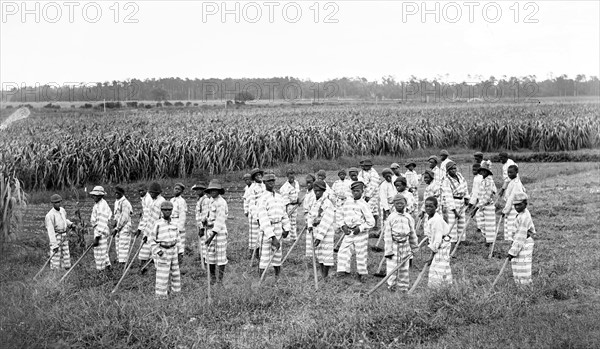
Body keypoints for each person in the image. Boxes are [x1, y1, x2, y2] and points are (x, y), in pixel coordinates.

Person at [336, 181, 375, 284]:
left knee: (361, 253)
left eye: (358, 191)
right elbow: (339, 215)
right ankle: (343, 271)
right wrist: (343, 226)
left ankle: (362, 273)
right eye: (353, 191)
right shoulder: (347, 202)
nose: (355, 193)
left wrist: (361, 228)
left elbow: (371, 222)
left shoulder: (364, 205)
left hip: (360, 233)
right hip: (349, 232)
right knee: (343, 251)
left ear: (362, 192)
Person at [257, 173, 291, 279]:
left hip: (278, 227)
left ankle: (277, 278)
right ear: (264, 183)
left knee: (277, 255)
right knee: (265, 257)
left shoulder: (279, 197)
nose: (271, 183)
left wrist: (286, 228)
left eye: (273, 181)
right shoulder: (262, 198)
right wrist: (272, 237)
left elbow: (284, 214)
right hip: (267, 230)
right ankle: (261, 279)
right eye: (269, 181)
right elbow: (263, 219)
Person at [383, 195, 418, 292]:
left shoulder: (408, 217)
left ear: (405, 204)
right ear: (393, 205)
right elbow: (387, 236)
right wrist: (388, 250)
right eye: (397, 203)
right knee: (392, 268)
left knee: (404, 268)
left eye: (401, 203)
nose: (399, 205)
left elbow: (412, 233)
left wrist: (414, 246)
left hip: (405, 245)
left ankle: (403, 288)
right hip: (394, 245)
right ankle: (391, 286)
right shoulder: (391, 218)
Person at [151, 201, 181, 299]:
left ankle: (176, 293)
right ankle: (161, 296)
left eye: (169, 210)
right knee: (162, 275)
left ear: (172, 211)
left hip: (173, 250)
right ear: (161, 211)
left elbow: (178, 238)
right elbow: (152, 240)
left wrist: (180, 252)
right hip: (163, 251)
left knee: (175, 273)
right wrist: (158, 251)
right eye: (165, 210)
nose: (167, 212)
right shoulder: (158, 224)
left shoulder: (175, 223)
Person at [308, 180, 336, 279]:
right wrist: (309, 225)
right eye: (315, 190)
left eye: (320, 190)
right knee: (319, 253)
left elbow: (326, 221)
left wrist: (319, 237)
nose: (317, 192)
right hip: (316, 230)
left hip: (326, 231)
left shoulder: (327, 203)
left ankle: (325, 275)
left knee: (326, 254)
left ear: (323, 191)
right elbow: (310, 215)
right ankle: (321, 273)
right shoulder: (314, 201)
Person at [507, 192, 535, 285]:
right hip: (518, 243)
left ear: (525, 204)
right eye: (515, 205)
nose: (517, 207)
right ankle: (519, 287)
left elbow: (520, 236)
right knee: (516, 266)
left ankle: (526, 290)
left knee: (523, 268)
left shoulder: (524, 217)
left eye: (519, 205)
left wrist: (512, 252)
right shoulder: (520, 214)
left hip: (524, 243)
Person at [204, 180, 229, 284]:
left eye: (215, 190)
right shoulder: (210, 201)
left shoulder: (221, 203)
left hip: (219, 232)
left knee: (220, 255)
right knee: (210, 255)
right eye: (211, 190)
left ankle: (220, 279)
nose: (213, 191)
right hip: (210, 230)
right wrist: (204, 221)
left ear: (219, 191)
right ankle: (213, 276)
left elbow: (220, 220)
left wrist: (211, 236)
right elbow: (208, 215)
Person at [424, 197, 452, 287]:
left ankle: (437, 287)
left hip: (442, 244)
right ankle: (444, 286)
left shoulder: (436, 220)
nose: (428, 208)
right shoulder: (429, 218)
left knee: (438, 265)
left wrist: (432, 255)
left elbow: (437, 239)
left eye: (431, 206)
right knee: (440, 265)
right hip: (438, 242)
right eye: (426, 206)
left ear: (436, 207)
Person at [138, 182, 165, 273]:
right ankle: (143, 268)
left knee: (156, 251)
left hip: (157, 231)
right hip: (150, 229)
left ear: (158, 192)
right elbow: (149, 218)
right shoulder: (153, 201)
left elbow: (160, 219)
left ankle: (157, 270)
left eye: (153, 193)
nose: (151, 194)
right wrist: (146, 233)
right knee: (144, 250)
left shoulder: (161, 202)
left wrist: (155, 233)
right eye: (150, 193)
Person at [440, 161, 470, 244]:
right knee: (453, 222)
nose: (453, 170)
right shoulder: (446, 180)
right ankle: (452, 241)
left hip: (461, 200)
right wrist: (454, 210)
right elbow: (448, 196)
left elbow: (465, 186)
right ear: (448, 171)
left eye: (454, 168)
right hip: (453, 202)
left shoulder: (460, 176)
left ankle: (461, 240)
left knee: (462, 221)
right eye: (451, 169)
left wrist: (466, 197)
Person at [470, 160, 497, 246]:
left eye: (482, 171)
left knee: (489, 226)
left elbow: (486, 197)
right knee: (482, 224)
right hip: (481, 206)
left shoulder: (489, 181)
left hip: (488, 206)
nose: (480, 173)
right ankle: (486, 239)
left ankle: (490, 243)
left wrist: (476, 208)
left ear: (486, 172)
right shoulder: (483, 180)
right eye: (480, 171)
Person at [44, 194, 74, 270]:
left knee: (66, 254)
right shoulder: (50, 215)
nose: (58, 204)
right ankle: (55, 272)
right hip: (56, 236)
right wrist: (54, 245)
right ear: (53, 203)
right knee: (56, 256)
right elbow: (50, 231)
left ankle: (65, 269)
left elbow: (64, 220)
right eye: (56, 202)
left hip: (64, 235)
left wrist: (70, 224)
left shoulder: (62, 210)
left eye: (59, 202)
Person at [90, 186, 113, 271]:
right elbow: (110, 214)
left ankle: (101, 271)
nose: (94, 197)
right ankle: (108, 267)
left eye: (96, 195)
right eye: (93, 195)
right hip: (100, 230)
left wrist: (97, 237)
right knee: (103, 251)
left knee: (100, 252)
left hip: (101, 232)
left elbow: (102, 222)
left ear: (100, 196)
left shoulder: (102, 206)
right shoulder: (99, 204)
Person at [501, 165, 526, 241]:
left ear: (516, 172)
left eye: (511, 172)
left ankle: (513, 243)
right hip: (512, 207)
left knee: (512, 226)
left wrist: (505, 210)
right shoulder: (514, 181)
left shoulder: (516, 183)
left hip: (514, 208)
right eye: (508, 172)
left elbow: (511, 199)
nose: (509, 174)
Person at [247, 168, 265, 260]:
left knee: (263, 234)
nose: (259, 176)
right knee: (254, 236)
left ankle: (262, 254)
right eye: (257, 175)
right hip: (255, 215)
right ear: (254, 178)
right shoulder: (252, 189)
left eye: (260, 175)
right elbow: (251, 204)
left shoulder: (264, 186)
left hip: (263, 214)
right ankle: (254, 254)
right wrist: (256, 217)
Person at [358, 159, 381, 232]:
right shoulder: (362, 172)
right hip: (365, 193)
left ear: (370, 166)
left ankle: (370, 226)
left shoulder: (374, 173)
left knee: (368, 210)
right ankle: (373, 226)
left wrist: (368, 196)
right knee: (373, 210)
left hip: (373, 194)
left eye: (366, 166)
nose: (364, 167)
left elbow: (373, 185)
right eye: (363, 166)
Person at [113, 186, 133, 266]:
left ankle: (123, 263)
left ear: (122, 193)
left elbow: (124, 217)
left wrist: (117, 228)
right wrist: (115, 222)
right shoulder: (117, 202)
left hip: (125, 226)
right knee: (117, 244)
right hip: (118, 225)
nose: (116, 194)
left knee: (123, 245)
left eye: (118, 193)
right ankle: (119, 260)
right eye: (115, 193)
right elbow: (117, 214)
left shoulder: (125, 203)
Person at [279, 169, 300, 241]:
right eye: (290, 175)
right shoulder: (285, 187)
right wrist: (286, 209)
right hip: (289, 206)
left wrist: (298, 200)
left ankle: (294, 237)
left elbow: (297, 193)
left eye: (293, 175)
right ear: (287, 176)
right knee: (288, 222)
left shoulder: (296, 183)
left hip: (295, 205)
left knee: (294, 222)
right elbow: (284, 200)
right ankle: (287, 238)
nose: (292, 177)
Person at [192, 181, 210, 265]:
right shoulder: (200, 199)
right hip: (200, 225)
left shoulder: (205, 200)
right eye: (196, 190)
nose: (197, 191)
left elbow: (205, 215)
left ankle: (206, 262)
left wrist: (202, 228)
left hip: (204, 226)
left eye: (199, 190)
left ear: (203, 190)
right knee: (202, 243)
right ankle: (203, 260)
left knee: (204, 243)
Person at [170, 183, 188, 266]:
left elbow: (182, 215)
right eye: (175, 188)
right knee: (172, 241)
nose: (176, 190)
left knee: (179, 243)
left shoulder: (182, 201)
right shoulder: (171, 200)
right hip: (171, 221)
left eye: (178, 189)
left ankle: (179, 262)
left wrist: (180, 228)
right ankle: (172, 260)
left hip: (178, 222)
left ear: (181, 192)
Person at [468, 163, 484, 235]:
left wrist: (473, 201)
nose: (473, 171)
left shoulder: (480, 178)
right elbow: (474, 190)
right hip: (476, 197)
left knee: (480, 213)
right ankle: (479, 227)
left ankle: (481, 228)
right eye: (473, 170)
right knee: (478, 214)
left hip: (480, 197)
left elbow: (478, 190)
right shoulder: (475, 178)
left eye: (475, 170)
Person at [303, 174, 317, 257]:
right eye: (307, 182)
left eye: (310, 182)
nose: (308, 184)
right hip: (307, 215)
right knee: (308, 237)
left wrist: (309, 220)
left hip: (312, 217)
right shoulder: (307, 192)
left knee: (312, 235)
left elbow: (313, 209)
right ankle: (309, 256)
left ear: (314, 183)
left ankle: (313, 256)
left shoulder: (314, 193)